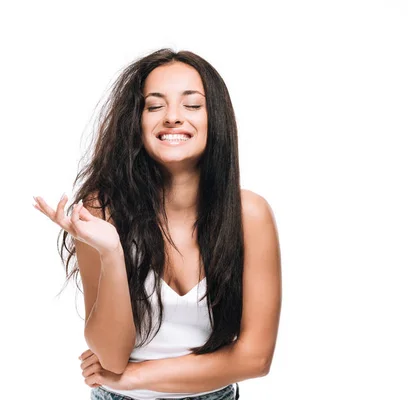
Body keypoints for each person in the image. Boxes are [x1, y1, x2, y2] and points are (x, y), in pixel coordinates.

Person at [32, 48, 282, 400]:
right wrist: (111, 253)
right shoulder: (101, 211)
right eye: (154, 105)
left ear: (216, 119)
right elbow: (112, 358)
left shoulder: (250, 215)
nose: (173, 117)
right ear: (137, 121)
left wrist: (138, 376)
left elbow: (255, 358)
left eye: (192, 105)